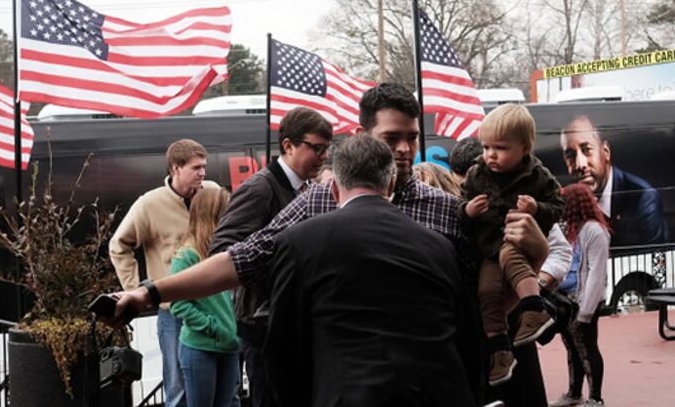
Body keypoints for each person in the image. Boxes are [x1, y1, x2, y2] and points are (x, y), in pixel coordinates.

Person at [108, 83, 550, 403]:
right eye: (390, 138)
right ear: (363, 138)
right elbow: (244, 257)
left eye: (411, 138)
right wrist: (152, 291)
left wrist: (538, 254)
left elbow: (481, 300)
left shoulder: (446, 208)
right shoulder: (319, 202)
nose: (403, 149)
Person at [263, 134, 477, 407]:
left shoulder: (300, 242)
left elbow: (282, 348)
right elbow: (467, 338)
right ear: (390, 184)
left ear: (335, 190)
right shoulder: (438, 246)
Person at [208, 107, 332, 407]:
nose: (324, 156)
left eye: (327, 149)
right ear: (288, 145)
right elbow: (222, 250)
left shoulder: (309, 188)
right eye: (317, 148)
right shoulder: (260, 187)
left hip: (299, 328)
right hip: (264, 332)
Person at [459, 104, 564, 386]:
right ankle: (500, 351)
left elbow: (557, 206)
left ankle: (535, 308)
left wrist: (537, 208)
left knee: (511, 255)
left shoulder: (538, 175)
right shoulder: (476, 174)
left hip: (519, 240)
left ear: (525, 147)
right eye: (486, 146)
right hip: (489, 249)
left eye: (501, 148)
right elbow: (459, 206)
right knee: (487, 292)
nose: (491, 154)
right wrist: (468, 210)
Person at [109, 139, 219, 407]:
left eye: (204, 166)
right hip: (174, 315)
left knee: (225, 386)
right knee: (178, 389)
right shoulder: (149, 204)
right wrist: (138, 292)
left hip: (216, 308)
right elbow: (118, 245)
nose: (203, 173)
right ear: (175, 168)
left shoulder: (214, 192)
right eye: (196, 167)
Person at [169, 187, 240, 407]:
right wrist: (213, 327)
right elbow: (178, 304)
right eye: (226, 210)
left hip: (230, 347)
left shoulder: (224, 252)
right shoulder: (187, 255)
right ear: (213, 214)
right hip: (200, 349)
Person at [560, 115, 668, 247]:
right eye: (570, 156)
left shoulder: (643, 198)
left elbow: (653, 259)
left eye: (586, 150)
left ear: (606, 152)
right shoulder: (564, 203)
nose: (579, 164)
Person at [548, 183, 609, 407]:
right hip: (567, 299)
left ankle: (595, 399)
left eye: (564, 202)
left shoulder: (594, 230)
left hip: (583, 301)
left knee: (588, 348)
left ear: (574, 204)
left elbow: (596, 273)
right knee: (572, 348)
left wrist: (585, 312)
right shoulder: (569, 229)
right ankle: (574, 393)